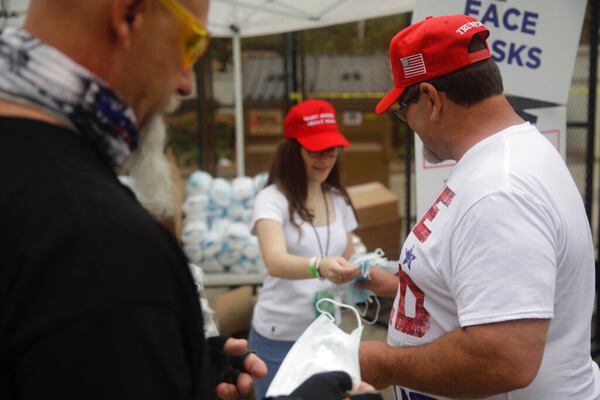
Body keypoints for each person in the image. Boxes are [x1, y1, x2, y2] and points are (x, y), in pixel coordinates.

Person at [0, 1, 270, 399]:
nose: (186, 83)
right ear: (128, 16)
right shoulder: (107, 248)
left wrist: (174, 359)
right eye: (191, 44)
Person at [358, 14, 600, 399]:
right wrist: (402, 284)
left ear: (432, 99)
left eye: (403, 110)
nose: (408, 123)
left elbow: (504, 358)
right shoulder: (504, 157)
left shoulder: (499, 191)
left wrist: (382, 363)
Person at [250, 99, 362, 398]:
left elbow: (349, 253)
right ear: (293, 150)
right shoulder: (272, 199)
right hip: (279, 338)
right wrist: (320, 265)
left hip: (327, 335)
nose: (325, 158)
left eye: (332, 149)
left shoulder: (337, 198)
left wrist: (364, 269)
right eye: (315, 149)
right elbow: (274, 261)